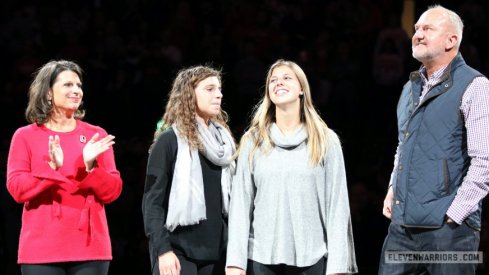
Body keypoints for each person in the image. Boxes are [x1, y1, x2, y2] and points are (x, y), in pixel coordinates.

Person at [379, 4, 489, 275]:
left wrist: (455, 213)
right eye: (416, 28)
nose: (417, 34)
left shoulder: (475, 85)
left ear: (452, 40)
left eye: (428, 28)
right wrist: (394, 188)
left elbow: (484, 159)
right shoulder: (410, 87)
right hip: (402, 229)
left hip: (449, 230)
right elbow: (403, 145)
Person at [225, 59, 357, 275]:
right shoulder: (253, 140)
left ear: (302, 89)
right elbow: (241, 204)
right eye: (273, 80)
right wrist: (235, 262)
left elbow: (337, 207)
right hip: (261, 258)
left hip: (312, 258)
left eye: (287, 78)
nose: (279, 83)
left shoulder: (325, 140)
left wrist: (338, 266)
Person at [6, 60, 123, 275]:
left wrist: (90, 167)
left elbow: (113, 191)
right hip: (41, 249)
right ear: (48, 93)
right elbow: (17, 189)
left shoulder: (96, 135)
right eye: (68, 85)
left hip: (90, 248)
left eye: (78, 85)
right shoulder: (25, 136)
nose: (76, 90)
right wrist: (52, 168)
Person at [142, 65, 236, 275]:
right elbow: (152, 203)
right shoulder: (169, 141)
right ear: (189, 94)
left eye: (219, 89)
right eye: (209, 89)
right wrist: (163, 250)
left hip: (218, 253)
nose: (219, 95)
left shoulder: (224, 144)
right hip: (177, 253)